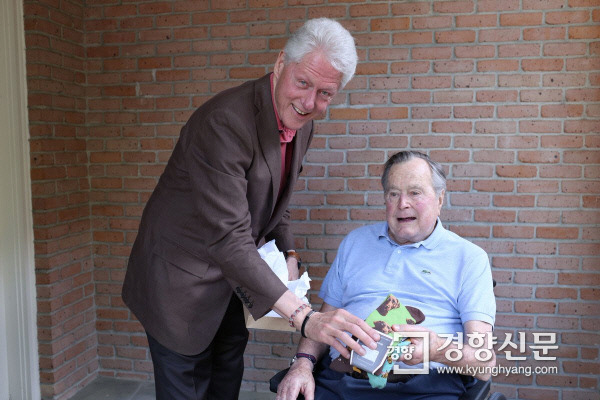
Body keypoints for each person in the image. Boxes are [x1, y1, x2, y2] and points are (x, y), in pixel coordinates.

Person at [121, 18, 380, 400]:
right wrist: (304, 317)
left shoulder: (302, 124)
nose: (310, 103)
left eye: (326, 93)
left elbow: (276, 202)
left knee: (226, 379)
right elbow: (228, 238)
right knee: (187, 388)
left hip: (233, 283)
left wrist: (289, 251)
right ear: (280, 64)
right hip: (180, 284)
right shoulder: (224, 123)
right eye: (303, 83)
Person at [276, 151, 496, 400]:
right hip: (342, 382)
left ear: (440, 199)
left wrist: (437, 351)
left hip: (423, 388)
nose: (403, 203)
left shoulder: (468, 258)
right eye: (393, 193)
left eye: (415, 192)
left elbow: (484, 363)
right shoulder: (355, 243)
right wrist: (302, 364)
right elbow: (325, 321)